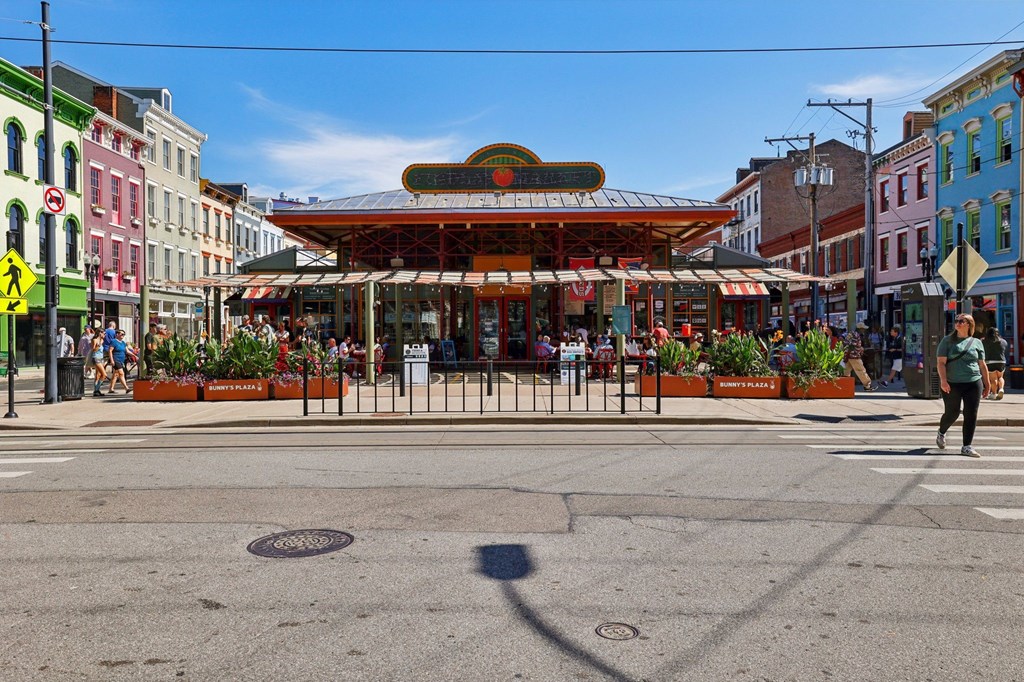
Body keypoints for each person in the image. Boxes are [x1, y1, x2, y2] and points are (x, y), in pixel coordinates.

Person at [936, 314, 990, 457]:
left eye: (961, 321)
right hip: (952, 383)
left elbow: (982, 365)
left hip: (973, 382)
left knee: (971, 413)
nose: (957, 323)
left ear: (969, 324)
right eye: (956, 321)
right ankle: (941, 432)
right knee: (952, 413)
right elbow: (941, 363)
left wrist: (987, 384)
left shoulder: (977, 342)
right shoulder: (947, 341)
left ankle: (967, 446)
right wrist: (943, 381)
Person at [842, 322, 877, 391]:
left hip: (848, 356)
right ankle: (867, 385)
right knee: (861, 370)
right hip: (854, 356)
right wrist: (859, 348)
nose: (864, 330)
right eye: (863, 329)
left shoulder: (851, 333)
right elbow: (852, 345)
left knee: (846, 372)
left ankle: (844, 386)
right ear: (860, 329)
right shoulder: (856, 335)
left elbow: (846, 343)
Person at [982, 327, 1007, 401]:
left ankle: (993, 394)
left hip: (990, 361)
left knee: (993, 379)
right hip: (1001, 361)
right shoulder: (1003, 341)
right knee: (1000, 377)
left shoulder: (984, 341)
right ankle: (1001, 389)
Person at [107, 328, 131, 394]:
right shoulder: (114, 341)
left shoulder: (123, 343)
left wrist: (134, 355)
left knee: (115, 375)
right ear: (117, 334)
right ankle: (126, 388)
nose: (123, 336)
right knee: (121, 373)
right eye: (122, 334)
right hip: (116, 359)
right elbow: (110, 350)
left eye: (124, 334)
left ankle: (111, 389)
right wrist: (112, 360)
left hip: (121, 360)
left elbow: (127, 351)